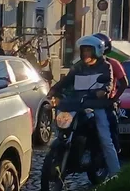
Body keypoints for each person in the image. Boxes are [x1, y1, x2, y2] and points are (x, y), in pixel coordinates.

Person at [47, 35, 120, 178]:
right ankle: (67, 152)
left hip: (97, 106)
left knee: (105, 139)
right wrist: (54, 90)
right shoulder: (78, 66)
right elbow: (66, 80)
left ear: (96, 51)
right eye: (84, 50)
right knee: (64, 127)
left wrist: (103, 91)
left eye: (88, 50)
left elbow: (109, 83)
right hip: (77, 104)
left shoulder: (106, 66)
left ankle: (116, 174)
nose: (86, 53)